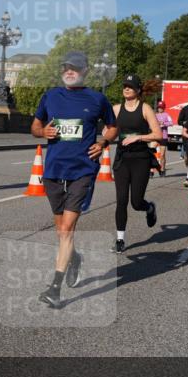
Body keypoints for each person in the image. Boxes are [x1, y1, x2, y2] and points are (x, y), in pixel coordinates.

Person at [31, 51, 117, 309]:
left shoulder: (97, 99)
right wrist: (42, 131)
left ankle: (54, 289)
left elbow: (112, 127)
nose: (69, 71)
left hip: (83, 169)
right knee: (61, 232)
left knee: (67, 229)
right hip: (54, 170)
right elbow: (34, 127)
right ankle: (75, 259)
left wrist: (103, 142)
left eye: (74, 68)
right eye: (65, 68)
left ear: (85, 71)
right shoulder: (51, 96)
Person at [111, 76, 162, 252]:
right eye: (124, 86)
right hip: (122, 159)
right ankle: (120, 239)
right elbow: (109, 130)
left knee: (136, 202)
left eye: (130, 86)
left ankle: (149, 208)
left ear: (137, 90)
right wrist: (106, 132)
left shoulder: (145, 108)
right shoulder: (116, 109)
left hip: (141, 159)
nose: (126, 89)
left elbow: (158, 134)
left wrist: (138, 137)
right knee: (121, 200)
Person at [153, 101, 173, 176]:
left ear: (164, 108)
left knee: (162, 155)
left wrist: (163, 124)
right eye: (159, 107)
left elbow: (171, 123)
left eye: (161, 107)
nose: (160, 109)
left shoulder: (166, 115)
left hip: (164, 137)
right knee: (152, 153)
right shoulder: (155, 115)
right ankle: (151, 170)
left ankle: (162, 169)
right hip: (155, 136)